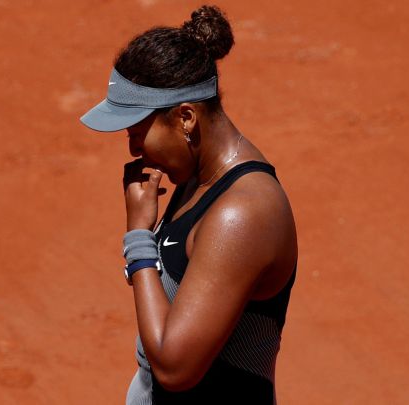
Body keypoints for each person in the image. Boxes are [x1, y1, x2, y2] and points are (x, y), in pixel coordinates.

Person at [80, 5, 297, 404]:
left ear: (185, 118)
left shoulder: (242, 215)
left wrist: (138, 238)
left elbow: (173, 367)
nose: (132, 149)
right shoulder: (196, 174)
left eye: (138, 131)